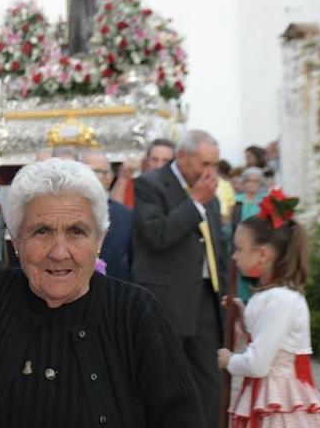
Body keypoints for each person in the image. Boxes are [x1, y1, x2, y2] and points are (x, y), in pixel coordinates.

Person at [0, 159, 206, 427]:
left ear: (100, 239)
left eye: (77, 231)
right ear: (16, 237)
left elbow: (181, 419)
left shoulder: (135, 312)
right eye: (42, 231)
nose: (59, 252)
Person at [131, 130, 227, 428]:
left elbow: (215, 245)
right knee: (163, 380)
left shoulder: (207, 191)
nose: (211, 172)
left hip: (204, 300)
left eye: (215, 165)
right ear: (183, 157)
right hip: (166, 300)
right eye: (206, 163)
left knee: (209, 381)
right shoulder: (150, 183)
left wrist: (222, 288)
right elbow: (158, 235)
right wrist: (195, 203)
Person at [218, 189, 320, 427]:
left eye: (238, 249)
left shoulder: (282, 300)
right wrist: (240, 312)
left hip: (279, 405)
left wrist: (229, 361)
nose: (234, 257)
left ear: (262, 255)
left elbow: (258, 364)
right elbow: (261, 328)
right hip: (264, 398)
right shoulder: (268, 296)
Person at [80, 150, 133, 281]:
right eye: (91, 171)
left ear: (110, 177)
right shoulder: (63, 211)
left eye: (102, 172)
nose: (96, 177)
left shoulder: (126, 215)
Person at [230, 167, 267, 303]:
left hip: (258, 248)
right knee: (238, 284)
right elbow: (229, 224)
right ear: (244, 183)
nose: (252, 184)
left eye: (256, 181)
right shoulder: (236, 201)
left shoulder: (265, 201)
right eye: (249, 181)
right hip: (238, 246)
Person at [110, 138, 174, 208]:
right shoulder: (133, 183)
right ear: (146, 161)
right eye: (154, 160)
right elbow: (115, 211)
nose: (159, 165)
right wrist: (123, 177)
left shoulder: (179, 186)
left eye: (166, 161)